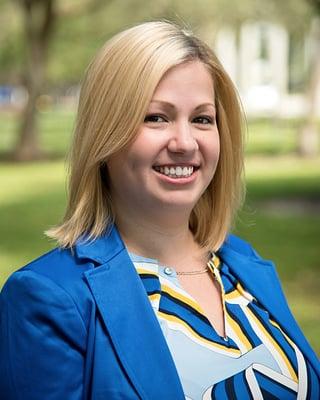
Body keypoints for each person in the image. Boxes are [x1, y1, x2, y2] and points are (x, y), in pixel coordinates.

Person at [0, 21, 319, 400]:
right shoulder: (49, 297)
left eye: (202, 119)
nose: (184, 142)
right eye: (156, 117)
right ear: (105, 134)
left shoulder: (244, 265)